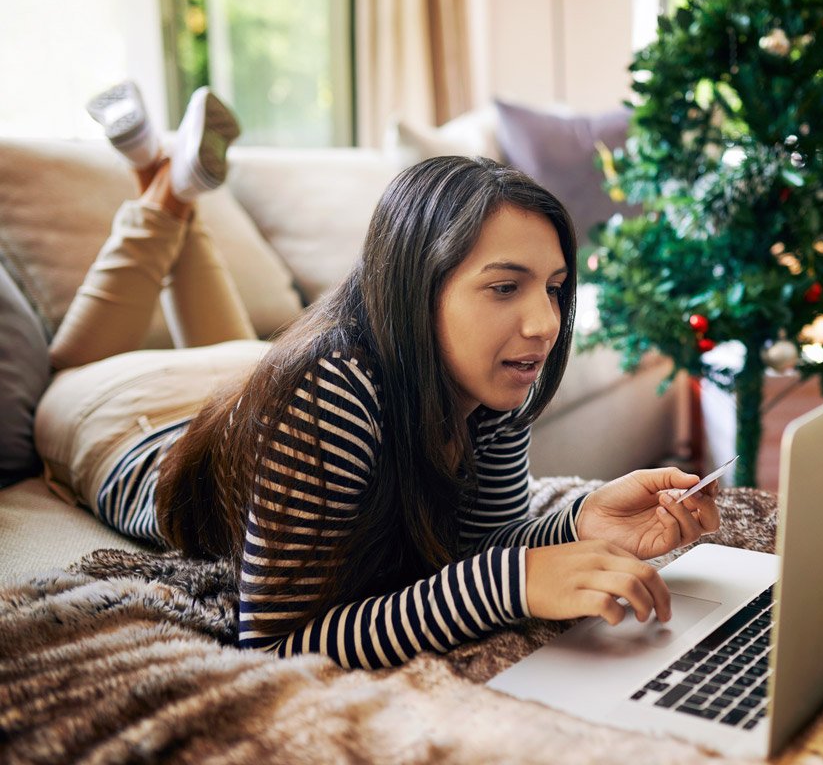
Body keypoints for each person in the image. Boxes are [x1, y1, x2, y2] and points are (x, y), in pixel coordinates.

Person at [34, 81, 721, 669]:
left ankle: (176, 186)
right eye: (504, 287)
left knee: (236, 347)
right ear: (418, 287)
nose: (544, 323)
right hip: (127, 420)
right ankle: (161, 186)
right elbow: (275, 641)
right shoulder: (327, 390)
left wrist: (580, 521)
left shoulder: (492, 378)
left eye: (554, 288)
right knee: (72, 366)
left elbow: (477, 550)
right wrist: (513, 583)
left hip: (241, 389)